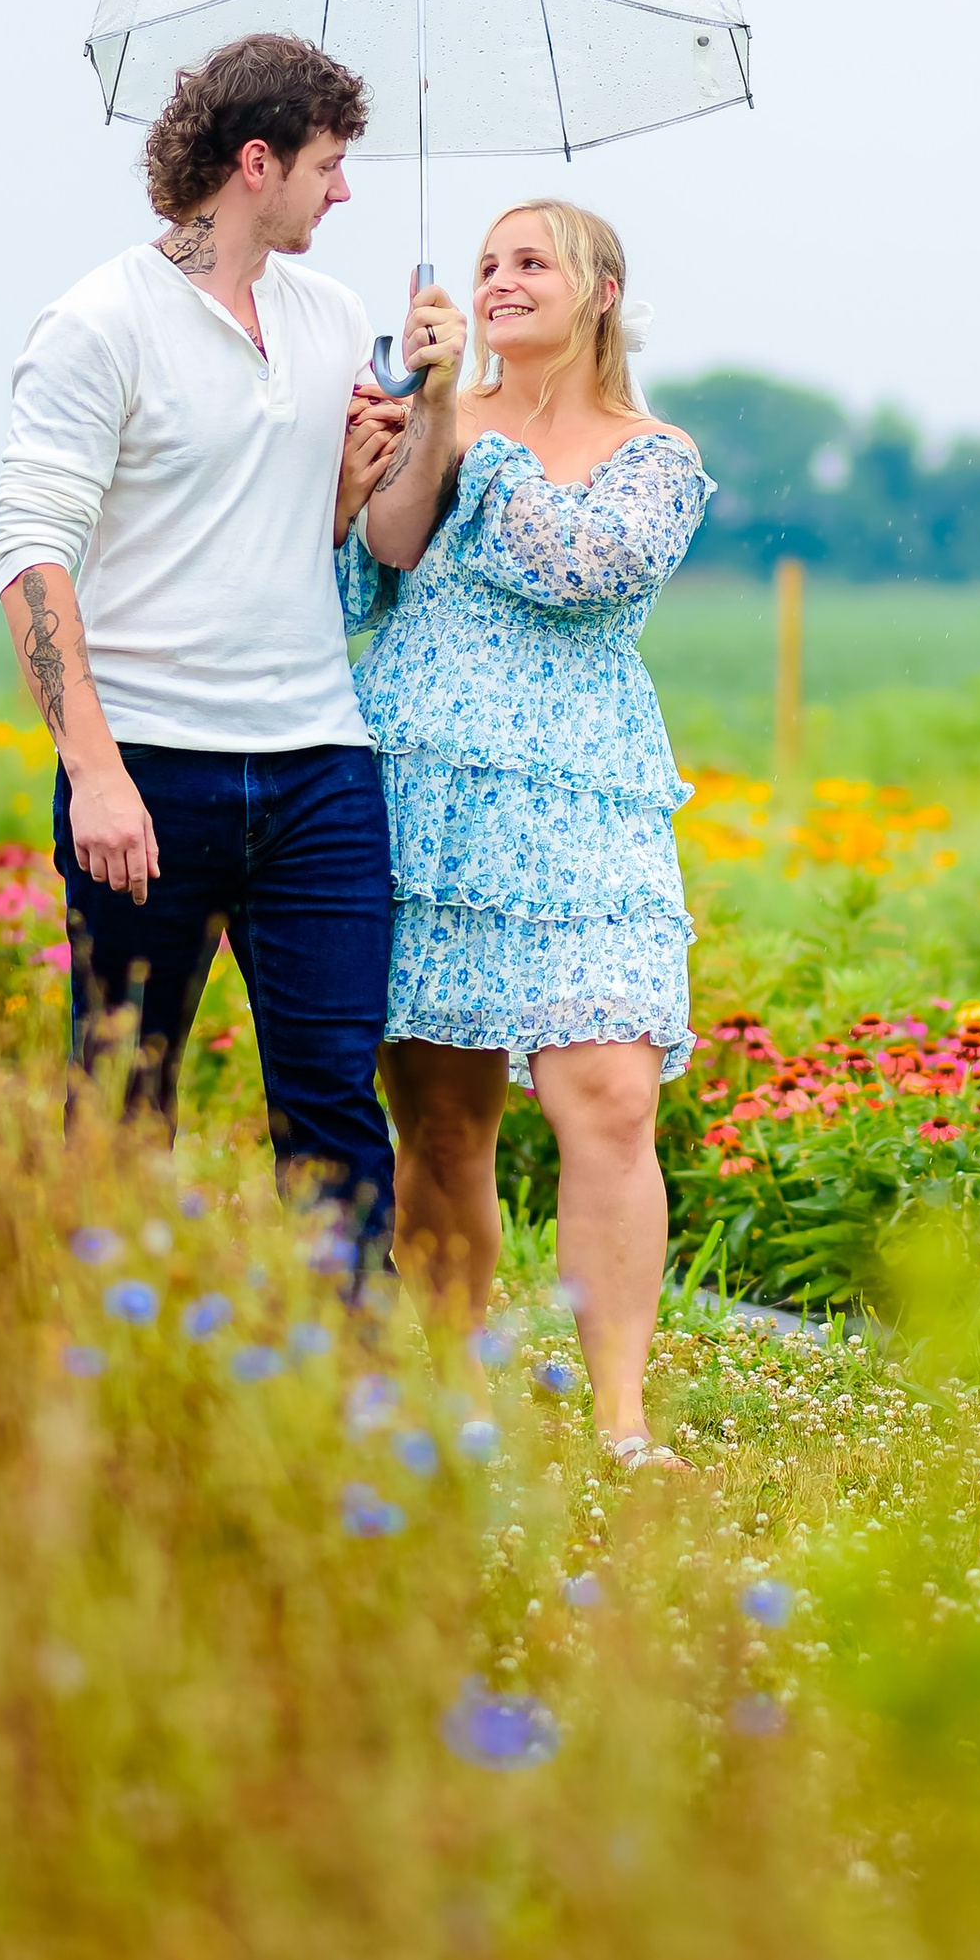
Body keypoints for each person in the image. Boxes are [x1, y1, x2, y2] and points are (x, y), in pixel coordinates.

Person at [0, 31, 407, 1262]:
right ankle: (117, 1381)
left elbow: (300, 534)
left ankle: (357, 1406)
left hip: (319, 764)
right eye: (329, 165)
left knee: (333, 1101)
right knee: (126, 1101)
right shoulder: (96, 323)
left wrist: (363, 467)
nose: (345, 191)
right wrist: (95, 774)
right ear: (257, 160)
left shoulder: (331, 316)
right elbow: (30, 558)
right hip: (150, 770)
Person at [345, 200, 713, 1463]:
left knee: (608, 1096)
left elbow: (583, 569)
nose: (499, 282)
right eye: (488, 263)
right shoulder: (426, 419)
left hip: (582, 804)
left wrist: (476, 451)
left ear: (601, 289)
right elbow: (368, 569)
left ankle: (620, 1417)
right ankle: (455, 1395)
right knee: (442, 1123)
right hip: (421, 804)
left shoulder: (655, 454)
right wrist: (420, 424)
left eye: (530, 262)